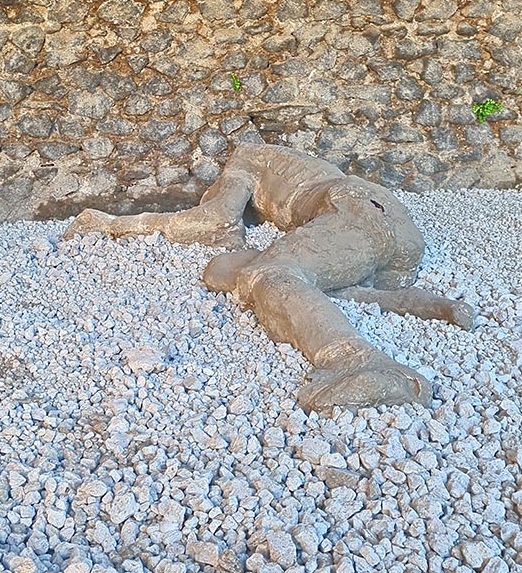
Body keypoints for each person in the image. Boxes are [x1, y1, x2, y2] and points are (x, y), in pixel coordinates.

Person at [65, 144, 475, 411]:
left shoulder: (246, 157)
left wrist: (114, 223)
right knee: (318, 281)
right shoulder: (301, 165)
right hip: (397, 229)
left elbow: (214, 223)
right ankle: (420, 303)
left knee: (271, 273)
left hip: (352, 210)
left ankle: (363, 363)